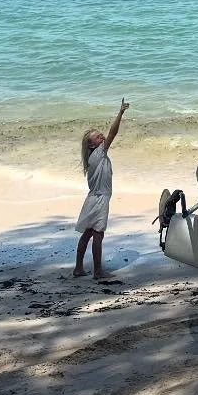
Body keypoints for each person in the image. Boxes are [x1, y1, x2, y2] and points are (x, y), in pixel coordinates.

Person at [74, 98, 128, 280]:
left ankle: (79, 268)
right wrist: (120, 113)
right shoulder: (99, 153)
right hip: (99, 199)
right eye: (98, 137)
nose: (103, 137)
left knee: (88, 233)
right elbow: (113, 132)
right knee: (98, 234)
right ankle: (97, 271)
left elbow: (109, 135)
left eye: (101, 135)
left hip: (93, 198)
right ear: (92, 145)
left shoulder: (93, 157)